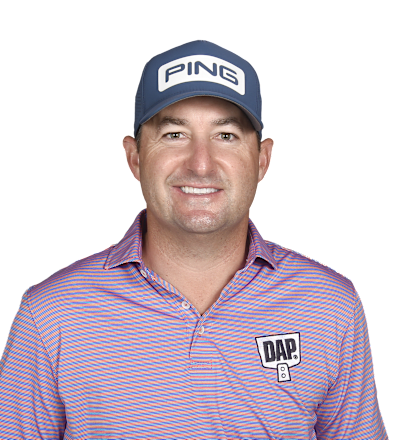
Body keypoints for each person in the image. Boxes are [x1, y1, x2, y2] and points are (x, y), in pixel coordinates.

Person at [0, 40, 388, 439]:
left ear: (262, 159)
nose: (200, 164)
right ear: (134, 157)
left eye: (226, 135)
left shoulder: (331, 306)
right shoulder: (49, 315)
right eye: (174, 134)